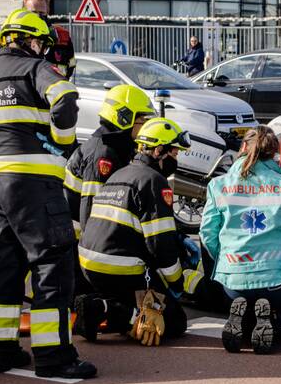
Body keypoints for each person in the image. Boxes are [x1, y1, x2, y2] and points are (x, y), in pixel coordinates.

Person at [0, 8, 96, 380]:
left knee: (6, 268)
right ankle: (54, 357)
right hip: (33, 185)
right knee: (51, 265)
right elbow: (65, 98)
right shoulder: (35, 68)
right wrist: (60, 143)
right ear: (31, 41)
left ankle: (1, 349)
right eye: (41, 43)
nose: (43, 50)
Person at [75, 118, 202, 346]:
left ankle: (103, 306)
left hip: (89, 264)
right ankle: (105, 310)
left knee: (130, 297)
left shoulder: (120, 173)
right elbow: (160, 246)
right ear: (158, 150)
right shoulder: (154, 181)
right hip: (121, 267)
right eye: (174, 152)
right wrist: (175, 284)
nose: (176, 158)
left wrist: (178, 238)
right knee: (174, 322)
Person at [199, 125, 281, 354]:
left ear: (243, 147)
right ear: (274, 153)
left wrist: (222, 264)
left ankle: (243, 321)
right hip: (277, 279)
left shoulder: (218, 185)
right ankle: (275, 322)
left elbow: (206, 234)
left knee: (243, 302)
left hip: (231, 280)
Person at [65, 84, 156, 339]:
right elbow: (90, 214)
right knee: (130, 308)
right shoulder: (103, 153)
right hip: (77, 248)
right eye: (142, 120)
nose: (145, 127)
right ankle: (98, 304)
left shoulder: (113, 146)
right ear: (124, 118)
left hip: (81, 247)